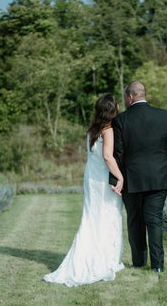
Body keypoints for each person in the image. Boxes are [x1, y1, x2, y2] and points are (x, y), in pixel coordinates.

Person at [44, 93, 125, 287]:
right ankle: (105, 260)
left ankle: (94, 256)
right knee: (108, 215)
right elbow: (107, 156)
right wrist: (121, 177)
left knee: (92, 217)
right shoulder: (108, 130)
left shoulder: (92, 130)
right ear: (112, 110)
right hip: (103, 179)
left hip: (91, 178)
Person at [112, 81, 167, 273]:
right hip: (159, 178)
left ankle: (139, 262)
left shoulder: (120, 120)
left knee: (135, 220)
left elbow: (118, 154)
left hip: (132, 180)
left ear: (130, 97)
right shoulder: (163, 116)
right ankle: (157, 266)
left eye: (125, 97)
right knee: (154, 220)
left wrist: (117, 181)